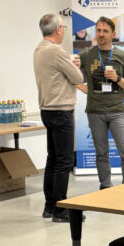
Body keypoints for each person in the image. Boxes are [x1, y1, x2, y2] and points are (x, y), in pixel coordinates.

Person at [33, 12, 84, 222]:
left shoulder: (39, 49)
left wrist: (67, 63)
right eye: (63, 27)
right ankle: (61, 210)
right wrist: (73, 65)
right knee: (64, 161)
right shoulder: (56, 50)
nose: (64, 30)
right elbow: (78, 77)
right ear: (57, 30)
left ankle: (50, 206)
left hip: (47, 110)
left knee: (53, 159)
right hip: (61, 110)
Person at [78, 16, 124, 188]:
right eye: (98, 30)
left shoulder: (122, 55)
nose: (101, 34)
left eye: (105, 31)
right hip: (95, 112)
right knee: (101, 154)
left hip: (117, 112)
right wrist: (78, 85)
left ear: (113, 34)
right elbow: (65, 68)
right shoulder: (87, 55)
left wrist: (117, 78)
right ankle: (105, 187)